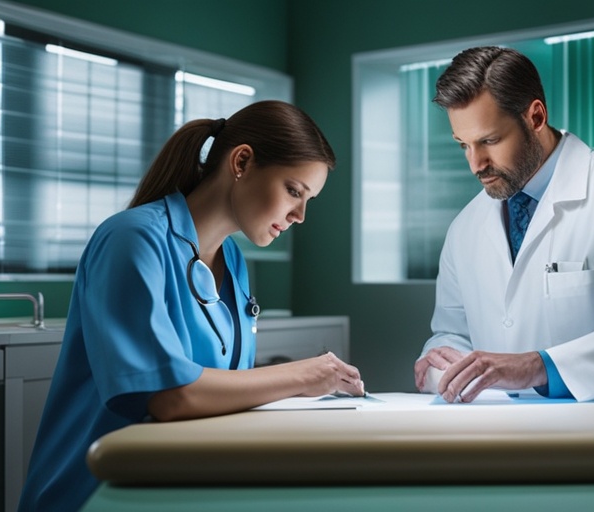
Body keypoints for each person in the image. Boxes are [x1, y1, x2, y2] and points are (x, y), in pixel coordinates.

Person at [18, 100, 365, 511]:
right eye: (294, 191)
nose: (300, 215)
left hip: (180, 487)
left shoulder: (233, 260)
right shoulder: (131, 240)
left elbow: (222, 389)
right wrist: (303, 374)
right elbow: (169, 398)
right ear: (242, 162)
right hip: (94, 493)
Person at [413, 46, 594, 412]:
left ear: (535, 116)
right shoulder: (465, 227)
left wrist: (536, 367)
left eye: (490, 141)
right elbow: (451, 333)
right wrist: (443, 366)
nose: (476, 164)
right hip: (504, 436)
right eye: (463, 145)